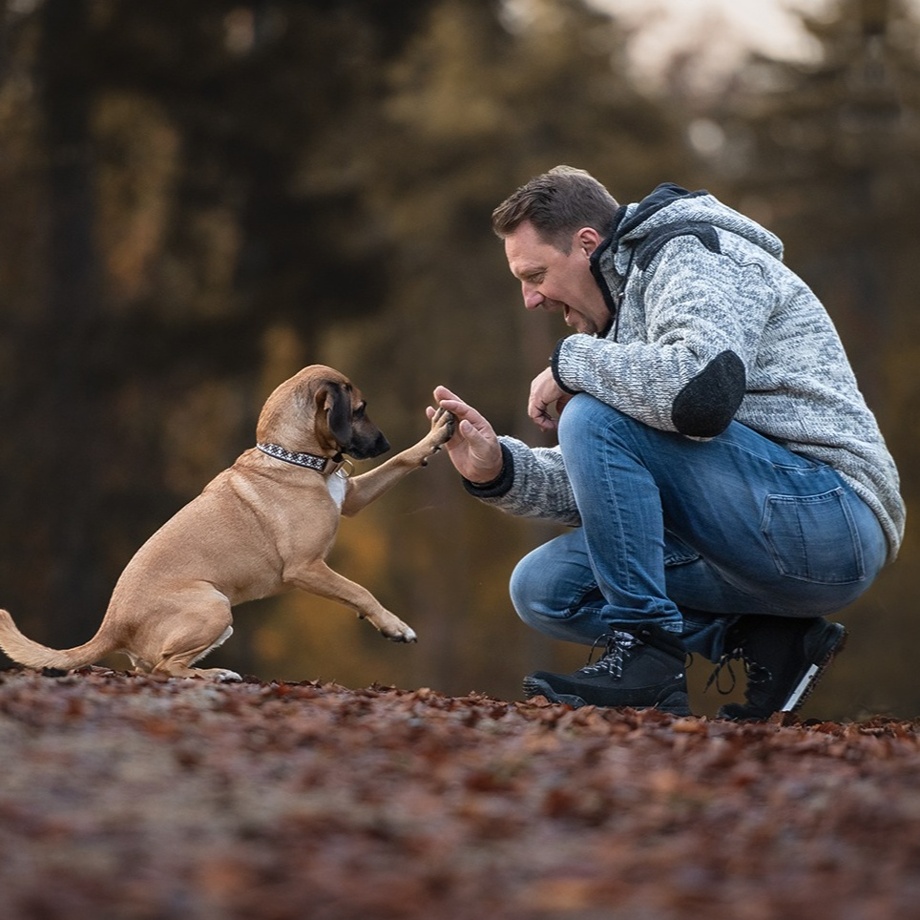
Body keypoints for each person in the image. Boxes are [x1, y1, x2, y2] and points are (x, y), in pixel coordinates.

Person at [432, 166, 904, 720]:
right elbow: (605, 482)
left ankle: (647, 653)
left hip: (829, 521)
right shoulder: (620, 315)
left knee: (588, 412)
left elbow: (701, 393)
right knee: (544, 587)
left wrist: (571, 364)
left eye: (535, 274)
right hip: (751, 539)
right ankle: (770, 642)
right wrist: (497, 469)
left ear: (587, 244)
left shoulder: (691, 253)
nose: (530, 300)